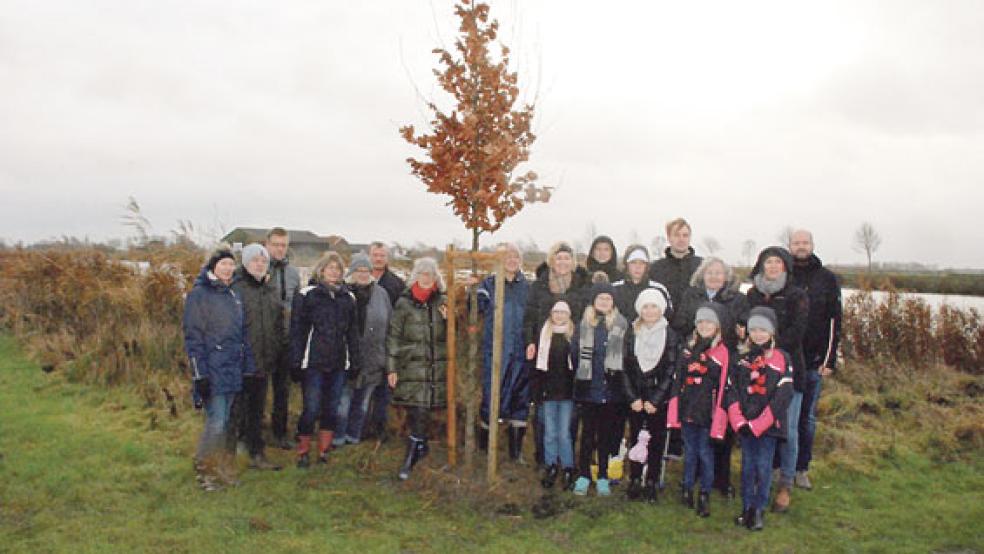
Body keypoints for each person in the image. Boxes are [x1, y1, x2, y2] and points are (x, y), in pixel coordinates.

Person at [672, 256, 750, 497]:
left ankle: (721, 478)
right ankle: (693, 476)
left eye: (719, 273)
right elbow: (680, 323)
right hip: (696, 363)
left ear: (726, 277)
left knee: (721, 424)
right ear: (702, 275)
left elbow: (744, 329)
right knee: (696, 425)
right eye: (710, 272)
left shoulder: (738, 299)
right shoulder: (691, 296)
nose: (714, 277)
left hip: (724, 363)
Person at [183, 247, 256, 491]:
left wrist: (247, 366)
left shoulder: (233, 296)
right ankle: (205, 469)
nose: (227, 268)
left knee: (225, 424)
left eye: (230, 264)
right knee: (216, 421)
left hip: (232, 370)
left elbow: (242, 335)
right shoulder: (199, 296)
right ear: (213, 267)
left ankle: (220, 467)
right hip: (212, 371)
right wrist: (199, 375)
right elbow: (193, 339)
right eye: (223, 264)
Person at [746, 247, 809, 513]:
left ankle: (785, 483)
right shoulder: (752, 294)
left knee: (789, 431)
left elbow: (798, 330)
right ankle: (763, 477)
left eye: (777, 262)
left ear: (785, 266)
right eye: (767, 262)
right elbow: (747, 326)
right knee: (762, 427)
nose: (772, 266)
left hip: (789, 369)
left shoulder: (797, 295)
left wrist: (771, 346)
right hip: (758, 372)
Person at [288, 252, 362, 468]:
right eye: (330, 268)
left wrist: (354, 361)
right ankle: (303, 451)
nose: (334, 272)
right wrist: (295, 361)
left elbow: (352, 333)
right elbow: (298, 331)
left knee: (331, 409)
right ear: (321, 270)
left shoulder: (348, 298)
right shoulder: (307, 295)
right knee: (311, 408)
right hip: (313, 363)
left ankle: (323, 451)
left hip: (338, 362)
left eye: (338, 269)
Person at [726, 307, 793, 531]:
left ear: (772, 332)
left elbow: (783, 395)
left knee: (763, 467)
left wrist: (760, 423)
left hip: (768, 426)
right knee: (747, 467)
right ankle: (746, 507)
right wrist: (739, 421)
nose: (758, 334)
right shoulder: (740, 358)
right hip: (745, 425)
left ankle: (758, 510)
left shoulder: (782, 358)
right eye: (753, 329)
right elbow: (731, 390)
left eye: (763, 329)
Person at [524, 242, 591, 466]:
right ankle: (545, 459)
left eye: (567, 258)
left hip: (570, 356)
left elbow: (588, 319)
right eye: (558, 258)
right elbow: (529, 319)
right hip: (544, 357)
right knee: (544, 416)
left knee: (568, 418)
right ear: (551, 260)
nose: (562, 262)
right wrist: (530, 342)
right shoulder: (540, 286)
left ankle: (567, 461)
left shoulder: (581, 286)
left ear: (573, 262)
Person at [386, 257, 448, 481]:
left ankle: (415, 452)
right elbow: (394, 336)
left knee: (423, 410)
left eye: (429, 274)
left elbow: (455, 334)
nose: (425, 278)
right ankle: (416, 450)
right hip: (410, 365)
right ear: (415, 276)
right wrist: (391, 368)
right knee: (417, 410)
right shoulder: (404, 303)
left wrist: (451, 320)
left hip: (434, 368)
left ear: (435, 277)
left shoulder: (443, 301)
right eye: (422, 273)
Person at [788, 230, 842, 491]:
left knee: (806, 419)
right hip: (784, 361)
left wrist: (830, 360)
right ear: (790, 246)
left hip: (813, 361)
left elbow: (835, 321)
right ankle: (779, 466)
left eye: (805, 242)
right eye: (796, 243)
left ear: (812, 245)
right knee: (781, 418)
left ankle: (801, 468)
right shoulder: (783, 275)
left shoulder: (827, 279)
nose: (801, 246)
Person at [667, 302, 731, 518]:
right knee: (690, 452)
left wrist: (720, 417)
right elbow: (678, 381)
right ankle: (686, 487)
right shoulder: (687, 349)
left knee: (705, 453)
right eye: (701, 321)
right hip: (687, 409)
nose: (705, 325)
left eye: (709, 322)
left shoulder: (722, 352)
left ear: (717, 327)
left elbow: (723, 386)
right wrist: (674, 410)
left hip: (708, 413)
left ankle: (704, 493)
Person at [612, 244, 672, 468]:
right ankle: (617, 457)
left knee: (649, 422)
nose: (637, 268)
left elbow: (668, 318)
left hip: (651, 364)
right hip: (623, 358)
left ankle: (647, 466)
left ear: (646, 266)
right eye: (633, 263)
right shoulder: (616, 288)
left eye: (641, 264)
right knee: (620, 414)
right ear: (626, 265)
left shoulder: (658, 288)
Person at [621, 288, 680, 504]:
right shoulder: (631, 332)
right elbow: (624, 367)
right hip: (636, 396)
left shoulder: (670, 335)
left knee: (656, 440)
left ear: (661, 308)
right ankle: (635, 478)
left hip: (658, 397)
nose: (650, 310)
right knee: (636, 437)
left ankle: (652, 480)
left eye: (654, 306)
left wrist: (656, 399)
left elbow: (671, 369)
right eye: (645, 306)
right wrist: (632, 397)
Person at [230, 243, 284, 471]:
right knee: (235, 413)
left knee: (256, 412)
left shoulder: (270, 289)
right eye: (255, 260)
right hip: (240, 363)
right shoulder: (235, 288)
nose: (260, 264)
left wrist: (276, 353)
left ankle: (256, 453)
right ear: (245, 262)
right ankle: (228, 456)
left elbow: (277, 325)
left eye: (263, 261)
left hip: (263, 363)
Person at [571, 281, 628, 497]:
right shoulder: (585, 324)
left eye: (608, 298)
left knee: (606, 436)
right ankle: (584, 474)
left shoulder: (621, 325)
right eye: (600, 298)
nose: (604, 301)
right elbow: (575, 354)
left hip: (611, 391)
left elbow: (626, 355)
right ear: (593, 301)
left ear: (613, 302)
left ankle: (603, 475)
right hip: (588, 389)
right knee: (587, 435)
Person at [476, 243, 531, 462]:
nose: (511, 260)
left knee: (520, 397)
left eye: (515, 256)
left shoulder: (527, 287)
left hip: (521, 350)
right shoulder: (489, 284)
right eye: (506, 256)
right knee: (492, 396)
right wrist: (470, 292)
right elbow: (475, 308)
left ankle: (515, 452)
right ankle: (485, 448)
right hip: (496, 350)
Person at [333, 253, 393, 447]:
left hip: (373, 358)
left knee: (363, 403)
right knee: (343, 402)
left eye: (366, 270)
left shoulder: (381, 294)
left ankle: (354, 437)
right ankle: (338, 437)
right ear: (351, 272)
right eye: (359, 270)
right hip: (346, 358)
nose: (363, 274)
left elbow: (390, 325)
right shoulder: (342, 293)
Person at [529, 298, 576, 490]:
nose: (559, 316)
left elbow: (576, 368)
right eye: (556, 312)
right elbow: (537, 370)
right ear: (551, 314)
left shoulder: (573, 336)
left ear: (569, 315)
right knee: (549, 432)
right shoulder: (543, 335)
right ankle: (551, 465)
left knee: (564, 433)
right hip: (548, 392)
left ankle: (567, 467)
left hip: (567, 393)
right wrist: (537, 392)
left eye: (563, 312)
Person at [365, 241, 406, 442]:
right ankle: (361, 428)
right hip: (365, 344)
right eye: (375, 255)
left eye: (382, 255)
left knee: (384, 390)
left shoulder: (396, 284)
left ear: (387, 258)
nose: (378, 258)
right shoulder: (359, 279)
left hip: (387, 343)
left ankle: (380, 428)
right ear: (369, 256)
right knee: (362, 389)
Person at [265, 227, 300, 450]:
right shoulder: (257, 268)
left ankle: (280, 433)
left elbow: (298, 305)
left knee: (282, 390)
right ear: (267, 244)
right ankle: (250, 433)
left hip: (286, 340)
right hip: (264, 339)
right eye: (276, 244)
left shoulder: (294, 273)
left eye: (283, 245)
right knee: (256, 390)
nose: (279, 249)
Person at [649, 218, 703, 311]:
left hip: (697, 324)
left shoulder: (702, 266)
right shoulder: (656, 268)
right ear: (669, 238)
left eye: (685, 235)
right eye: (676, 235)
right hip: (665, 323)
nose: (681, 239)